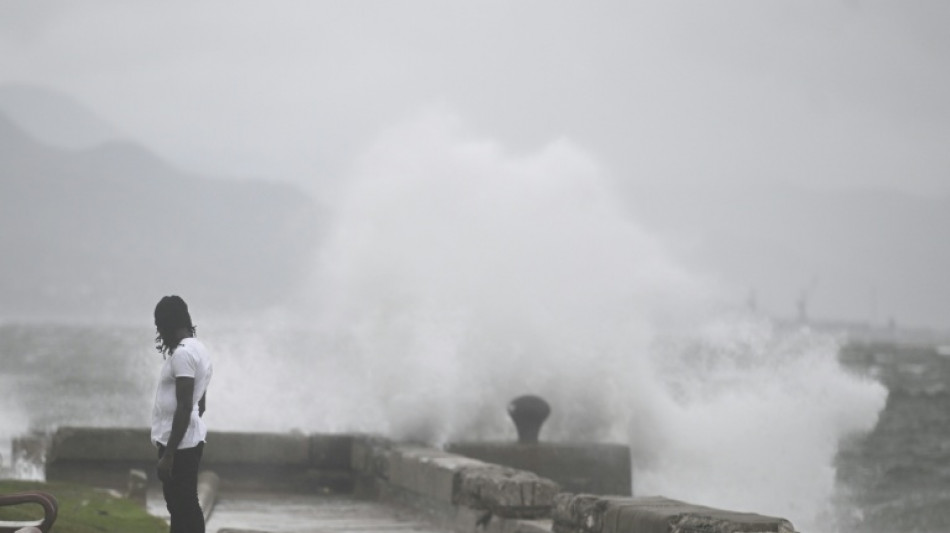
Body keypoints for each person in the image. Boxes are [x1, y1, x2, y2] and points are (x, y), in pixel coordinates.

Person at [151, 295, 214, 533]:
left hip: (180, 446)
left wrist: (169, 454)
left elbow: (186, 405)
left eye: (159, 327)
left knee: (184, 505)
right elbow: (201, 403)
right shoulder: (199, 349)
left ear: (167, 324)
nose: (159, 333)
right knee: (181, 507)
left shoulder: (183, 355)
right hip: (188, 440)